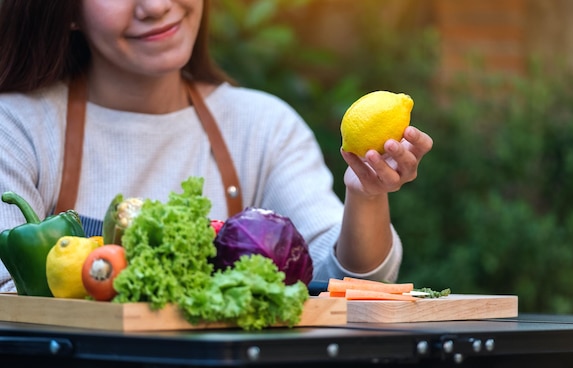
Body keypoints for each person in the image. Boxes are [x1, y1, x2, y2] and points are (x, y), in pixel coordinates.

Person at [0, 0, 433, 293]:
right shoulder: (16, 126)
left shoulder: (263, 126)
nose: (155, 6)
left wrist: (366, 194)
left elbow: (343, 283)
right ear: (67, 11)